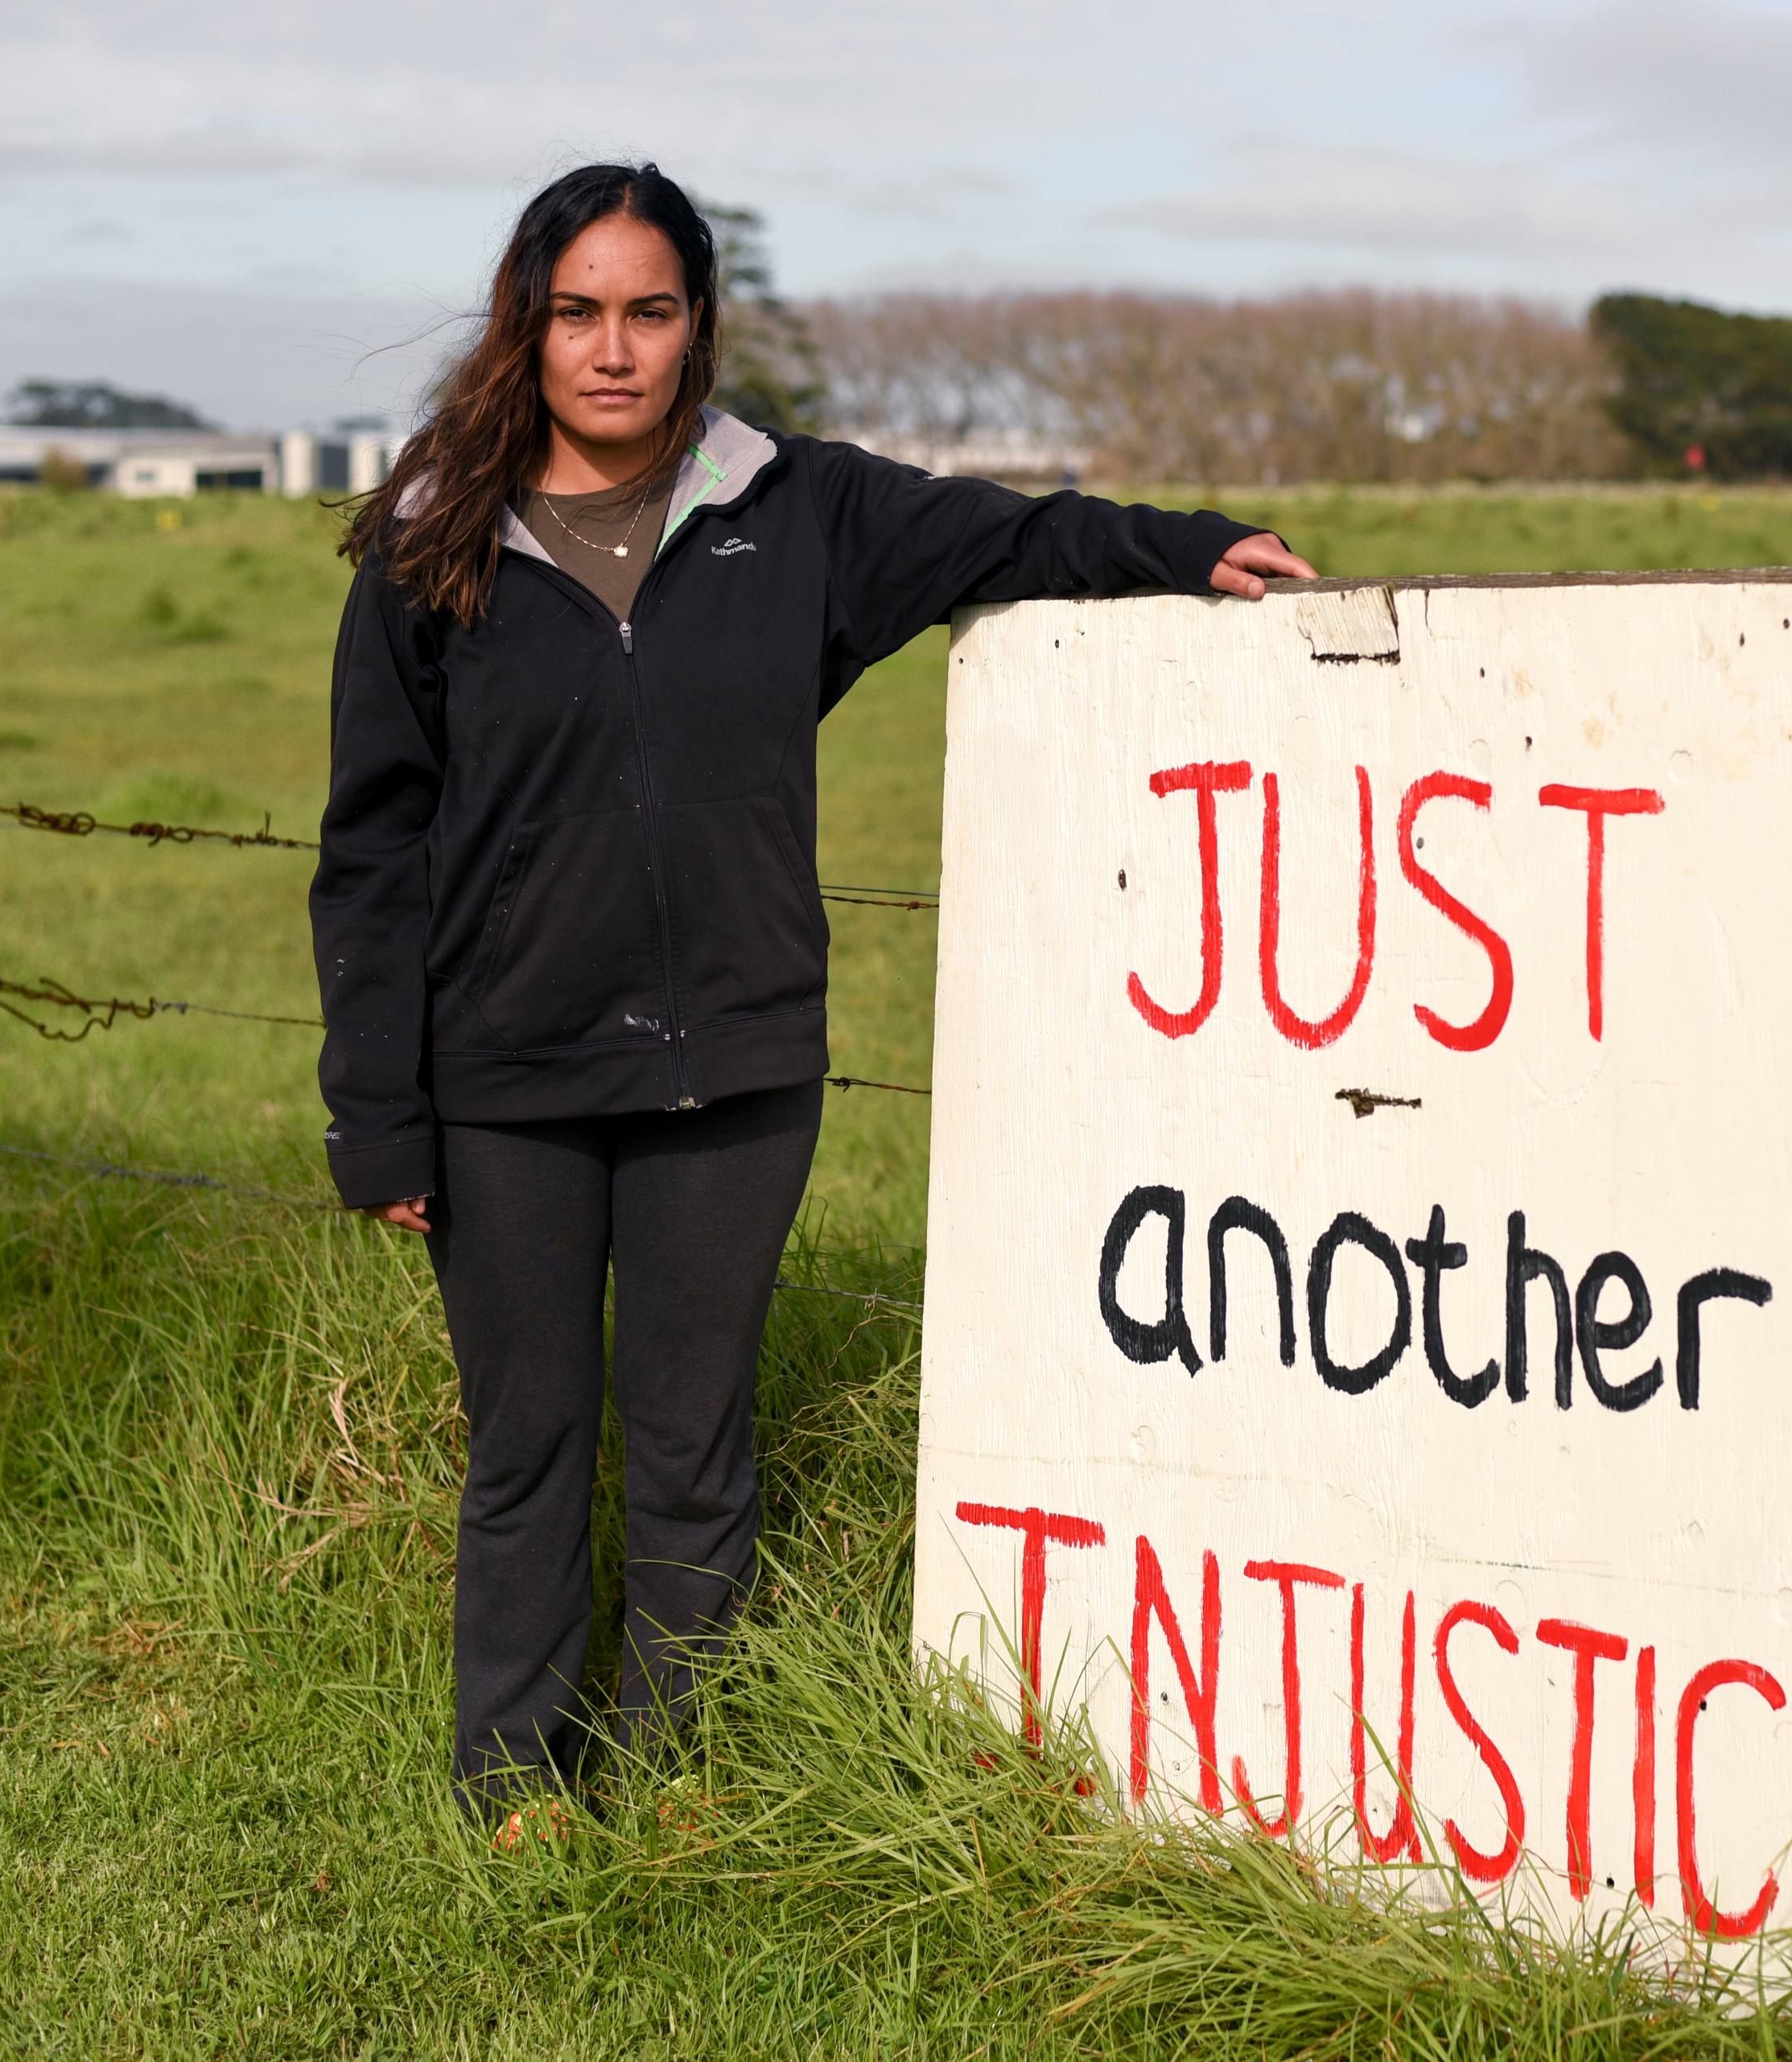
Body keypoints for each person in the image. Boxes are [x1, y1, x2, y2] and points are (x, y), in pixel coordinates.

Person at [311, 162, 1312, 1836]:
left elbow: (1018, 531)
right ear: (527, 326)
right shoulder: (433, 544)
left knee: (699, 1437)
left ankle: (677, 1767)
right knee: (530, 1444)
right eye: (577, 313)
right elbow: (374, 845)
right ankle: (513, 1785)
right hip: (506, 1075)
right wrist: (379, 1109)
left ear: (698, 325)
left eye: (648, 311)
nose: (612, 350)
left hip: (738, 1056)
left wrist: (1190, 547)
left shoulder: (806, 510)